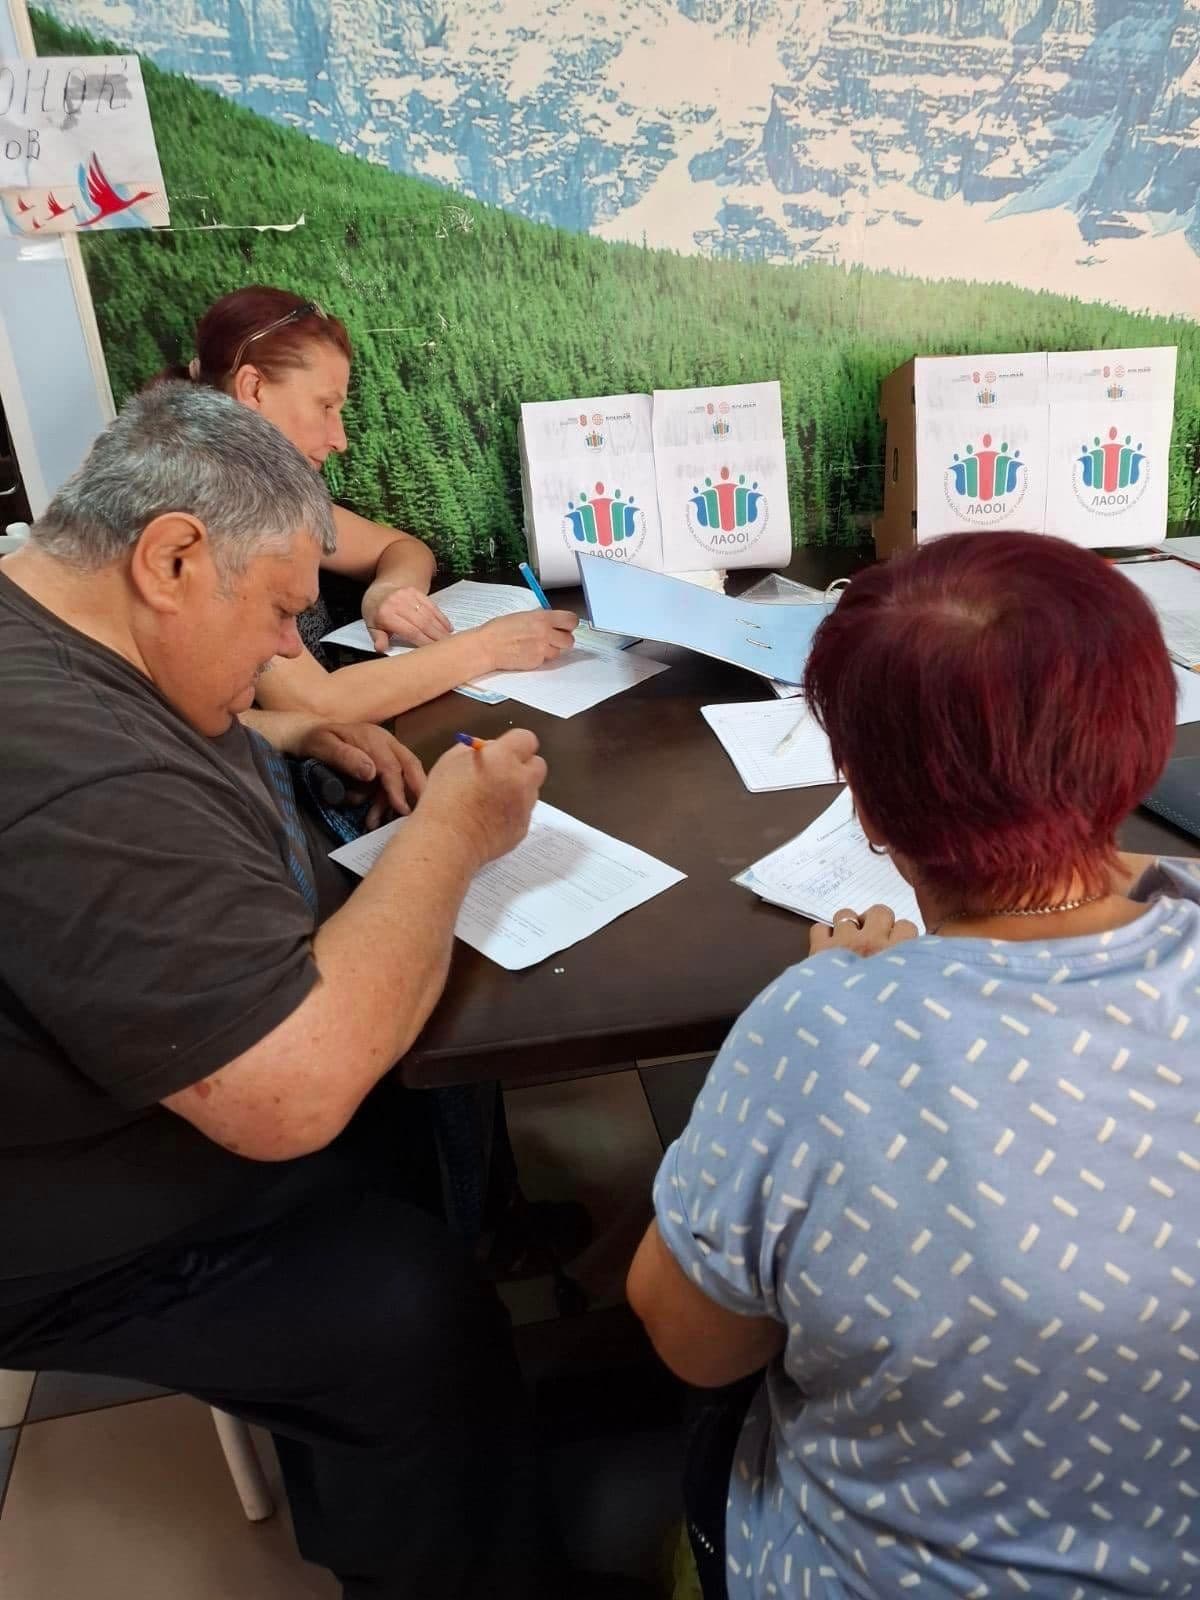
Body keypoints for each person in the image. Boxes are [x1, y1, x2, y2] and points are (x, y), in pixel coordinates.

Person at [0, 383, 634, 1600]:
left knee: (427, 1113)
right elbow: (284, 1099)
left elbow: (168, 740)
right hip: (66, 1228)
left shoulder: (65, 631)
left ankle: (392, 1475)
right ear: (173, 556)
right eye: (285, 611)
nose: (293, 648)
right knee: (405, 1308)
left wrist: (281, 739)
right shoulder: (64, 773)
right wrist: (452, 833)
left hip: (118, 1095)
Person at [628, 531, 1200, 1598]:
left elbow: (693, 1341)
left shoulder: (819, 1031)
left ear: (867, 800)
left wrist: (862, 994)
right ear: (1145, 739)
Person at [157, 285, 576, 720]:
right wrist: (489, 647)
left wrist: (388, 591)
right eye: (325, 406)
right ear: (253, 388)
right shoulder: (207, 514)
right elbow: (314, 702)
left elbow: (403, 549)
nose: (340, 440)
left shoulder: (266, 491)